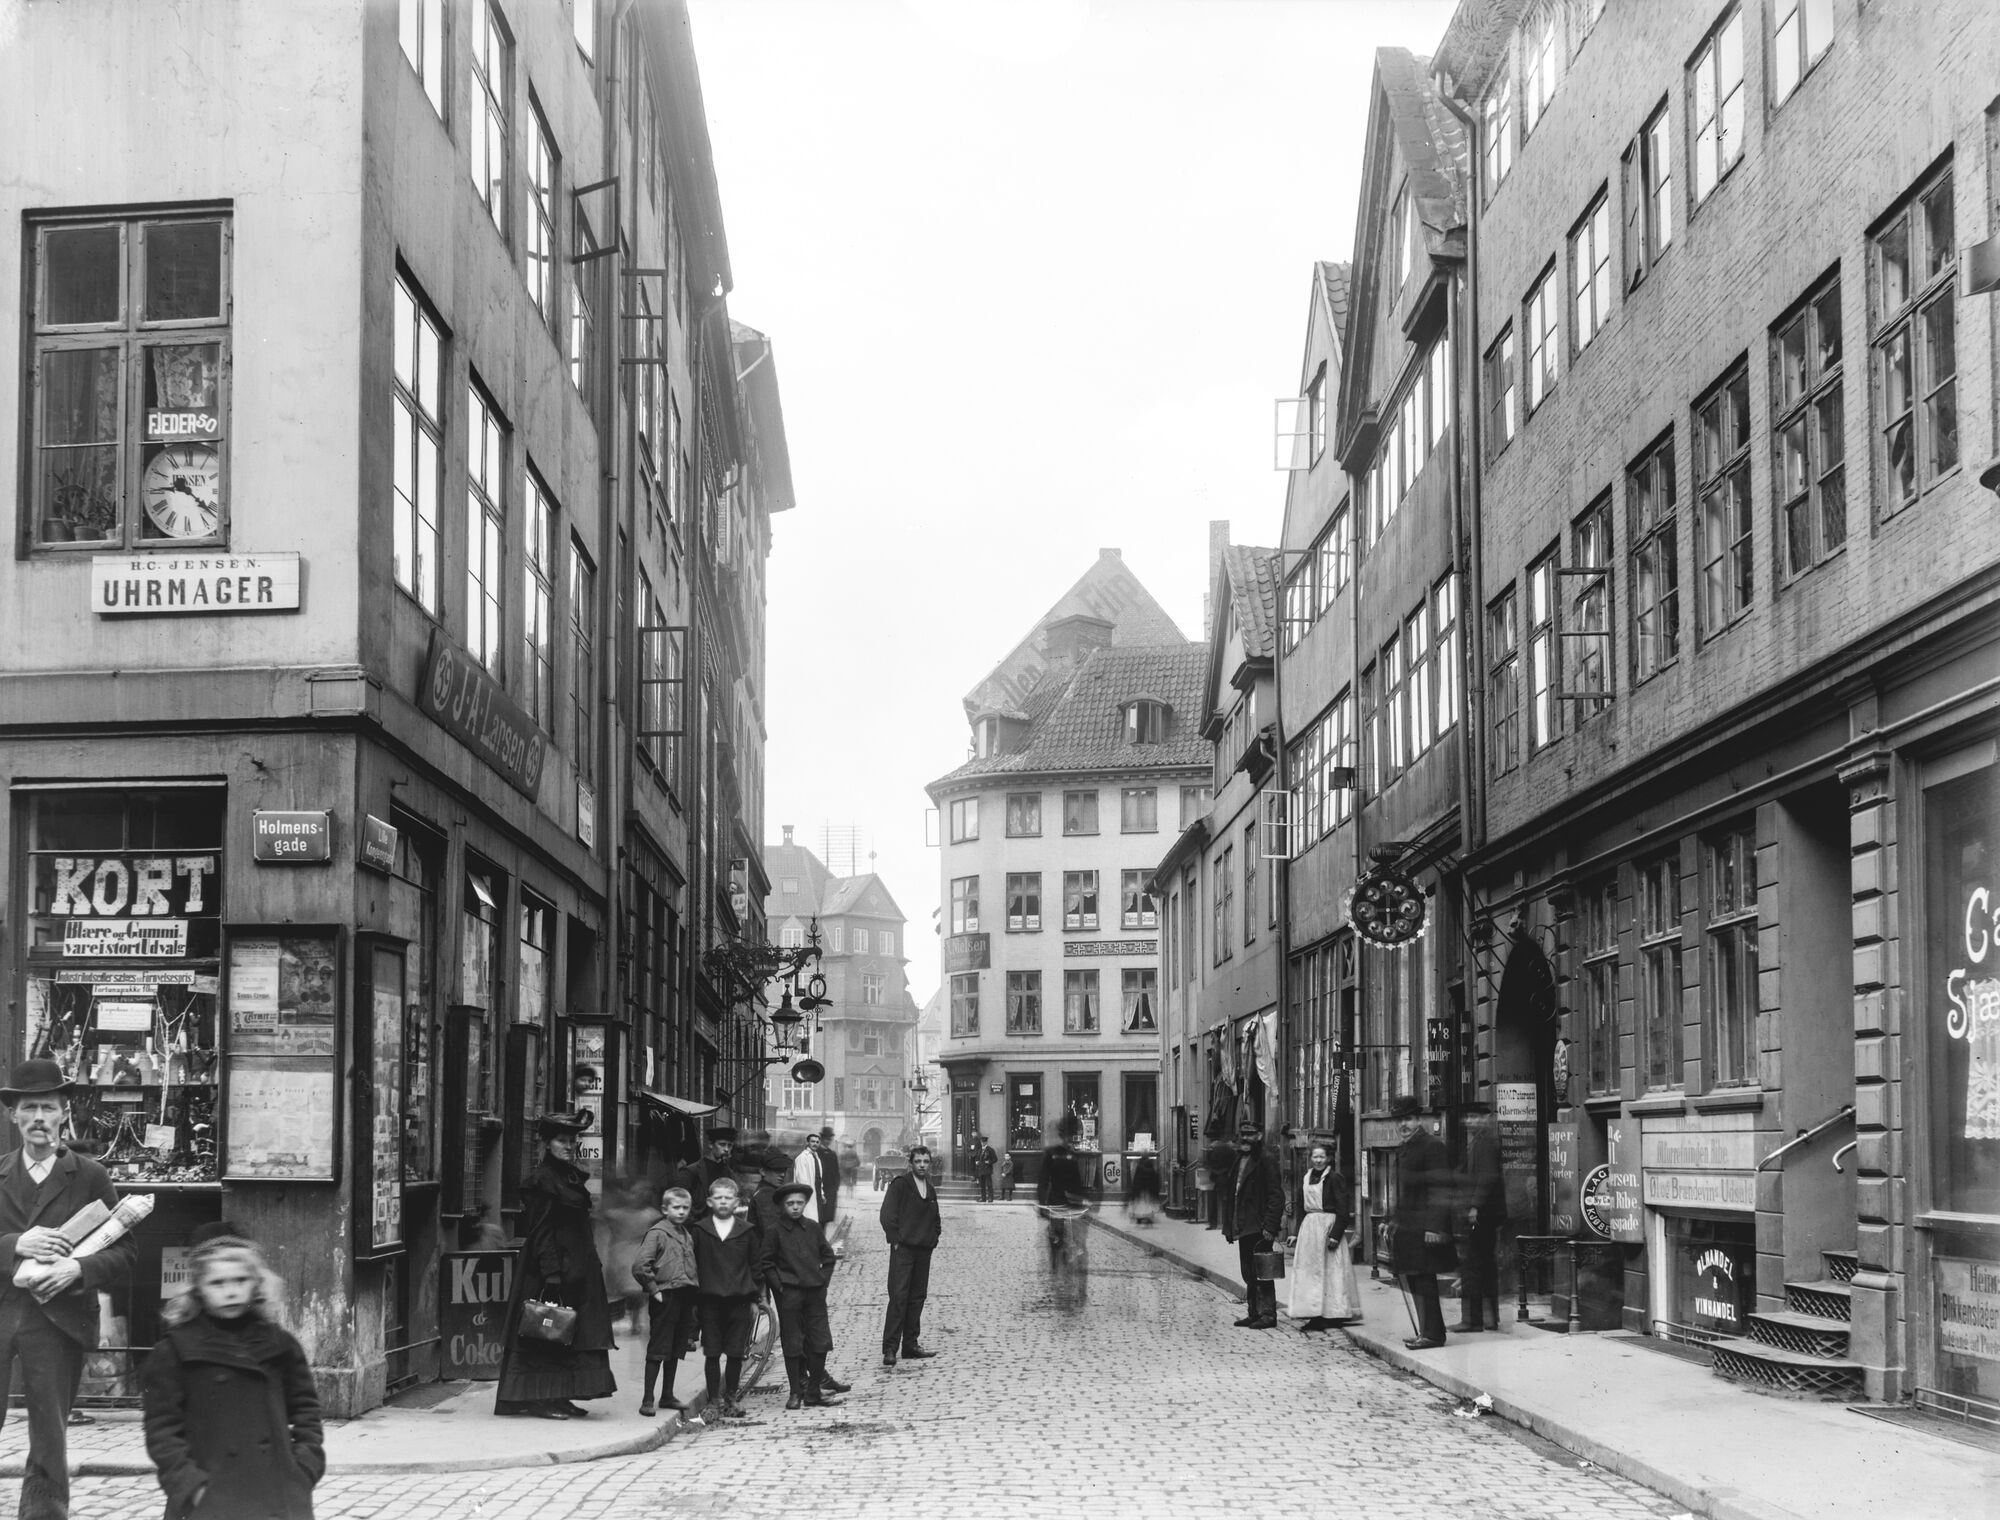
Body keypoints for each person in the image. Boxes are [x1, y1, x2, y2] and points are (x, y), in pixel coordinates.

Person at [0, 1058, 140, 1520]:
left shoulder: (90, 1176)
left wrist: (76, 1270)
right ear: (13, 1115)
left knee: (49, 1431)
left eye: (48, 1107)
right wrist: (15, 1244)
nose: (39, 1118)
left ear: (64, 1113)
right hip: (2, 1312)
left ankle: (43, 1514)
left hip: (56, 1321)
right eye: (29, 1108)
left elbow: (125, 1252)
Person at [140, 1233, 323, 1520]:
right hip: (209, 1498)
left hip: (278, 1495)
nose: (231, 1292)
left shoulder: (280, 1343)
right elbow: (162, 1430)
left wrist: (304, 1467)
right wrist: (190, 1486)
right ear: (198, 1289)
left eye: (240, 1280)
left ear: (256, 1283)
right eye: (217, 1283)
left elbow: (306, 1410)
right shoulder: (174, 1350)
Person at [494, 1112, 617, 1419]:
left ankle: (560, 1396)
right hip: (550, 1271)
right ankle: (541, 1400)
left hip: (577, 1270)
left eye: (573, 1140)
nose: (569, 1146)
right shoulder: (543, 1180)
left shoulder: (569, 1176)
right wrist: (551, 1273)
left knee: (569, 1334)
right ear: (547, 1144)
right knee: (547, 1332)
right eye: (562, 1140)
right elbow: (541, 1231)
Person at [758, 1182, 844, 1411]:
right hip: (790, 1295)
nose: (795, 1207)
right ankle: (795, 1392)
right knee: (793, 1343)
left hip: (814, 1294)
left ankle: (813, 1392)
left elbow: (828, 1258)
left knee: (820, 1342)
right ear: (782, 1206)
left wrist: (822, 1282)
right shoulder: (774, 1231)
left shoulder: (813, 1228)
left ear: (805, 1204)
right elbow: (766, 1263)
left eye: (799, 1203)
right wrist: (780, 1287)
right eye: (790, 1203)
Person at [1387, 1094, 1456, 1350]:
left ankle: (1434, 1335)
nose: (1403, 1125)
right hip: (1409, 1228)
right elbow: (1404, 1193)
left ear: (1418, 1120)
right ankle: (1425, 1331)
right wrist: (1393, 1220)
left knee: (1425, 1280)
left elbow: (1442, 1189)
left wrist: (1435, 1226)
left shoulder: (1432, 1146)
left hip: (1425, 1227)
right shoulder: (1405, 1148)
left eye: (1408, 1119)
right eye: (1399, 1120)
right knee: (1415, 1280)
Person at [688, 1178, 760, 1418]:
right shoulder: (699, 1231)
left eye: (728, 1198)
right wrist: (694, 1301)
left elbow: (755, 1266)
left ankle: (731, 1397)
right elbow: (692, 1266)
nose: (723, 1202)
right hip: (709, 1301)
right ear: (709, 1202)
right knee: (712, 1352)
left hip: (739, 1301)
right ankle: (714, 1400)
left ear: (736, 1203)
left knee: (735, 1352)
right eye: (718, 1198)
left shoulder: (746, 1231)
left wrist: (755, 1299)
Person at [630, 1187, 699, 1418]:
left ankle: (667, 1395)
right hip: (665, 1297)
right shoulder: (658, 1233)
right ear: (664, 1209)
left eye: (685, 1208)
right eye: (676, 1207)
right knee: (659, 1348)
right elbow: (640, 1266)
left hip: (684, 1296)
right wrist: (654, 1290)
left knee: (676, 1347)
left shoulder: (685, 1234)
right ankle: (647, 1399)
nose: (681, 1212)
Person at [877, 1144, 941, 1367]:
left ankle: (910, 1345)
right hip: (903, 1250)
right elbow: (887, 1215)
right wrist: (895, 1240)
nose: (922, 1165)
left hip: (923, 1250)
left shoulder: (930, 1188)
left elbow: (935, 1217)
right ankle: (890, 1348)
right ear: (911, 1163)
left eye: (925, 1162)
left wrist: (934, 1238)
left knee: (917, 1297)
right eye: (918, 1162)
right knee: (899, 1296)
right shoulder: (901, 1185)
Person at [1284, 1143, 1359, 1329]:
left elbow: (1343, 1209)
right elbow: (1301, 1209)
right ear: (1310, 1158)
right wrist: (1295, 1233)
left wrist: (1335, 1235)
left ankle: (1333, 1314)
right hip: (1309, 1229)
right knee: (1311, 1272)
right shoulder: (1306, 1178)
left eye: (1322, 1157)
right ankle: (1314, 1313)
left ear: (1328, 1158)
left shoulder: (1335, 1178)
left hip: (1328, 1227)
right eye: (1315, 1157)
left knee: (1331, 1271)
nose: (1318, 1160)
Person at [1221, 1120, 1284, 1330]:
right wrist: (1229, 1227)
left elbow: (1276, 1195)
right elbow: (1232, 1195)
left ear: (1259, 1136)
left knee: (1262, 1271)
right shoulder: (1238, 1159)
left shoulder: (1266, 1159)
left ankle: (1268, 1314)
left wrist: (1271, 1227)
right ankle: (1253, 1312)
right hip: (1243, 1225)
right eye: (1243, 1134)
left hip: (1259, 1227)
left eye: (1250, 1134)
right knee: (1248, 1271)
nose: (1246, 1138)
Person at [1455, 1109, 1507, 1333]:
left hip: (1482, 1214)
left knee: (1472, 1265)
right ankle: (1488, 1319)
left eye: (1475, 1116)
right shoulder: (1480, 1141)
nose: (1469, 1120)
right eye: (1468, 1116)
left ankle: (1473, 1320)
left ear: (1486, 1119)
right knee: (1485, 1265)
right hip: (1486, 1213)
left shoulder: (1485, 1143)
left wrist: (1475, 1206)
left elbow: (1487, 1177)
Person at [676, 1127, 737, 1206]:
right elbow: (677, 1199)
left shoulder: (730, 1174)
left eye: (730, 1145)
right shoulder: (691, 1171)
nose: (726, 1149)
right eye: (722, 1144)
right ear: (711, 1145)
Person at [1127, 1148, 1162, 1227]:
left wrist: (1135, 1188)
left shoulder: (1139, 1164)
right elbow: (1153, 1176)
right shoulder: (1149, 1163)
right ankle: (1146, 1217)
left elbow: (1137, 1178)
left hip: (1141, 1188)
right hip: (1147, 1188)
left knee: (1142, 1203)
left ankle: (1141, 1217)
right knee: (1146, 1203)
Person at [970, 1136, 997, 1203]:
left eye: (984, 1142)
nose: (983, 1143)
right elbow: (977, 1157)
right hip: (981, 1170)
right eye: (982, 1142)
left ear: (986, 1142)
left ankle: (990, 1198)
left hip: (987, 1170)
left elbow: (995, 1159)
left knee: (989, 1185)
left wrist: (989, 1162)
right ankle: (983, 1198)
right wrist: (976, 1161)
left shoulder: (990, 1150)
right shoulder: (980, 1150)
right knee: (982, 1185)